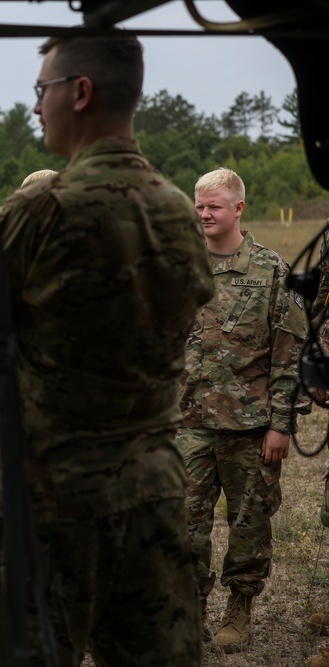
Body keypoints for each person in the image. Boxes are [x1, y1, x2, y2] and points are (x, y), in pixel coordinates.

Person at [0, 35, 213, 666]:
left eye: (43, 90)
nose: (37, 106)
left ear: (81, 93)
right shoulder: (177, 208)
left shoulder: (45, 207)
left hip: (53, 497)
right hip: (153, 485)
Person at [179, 167, 309, 653]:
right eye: (200, 205)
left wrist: (281, 424)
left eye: (214, 206)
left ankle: (240, 606)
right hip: (187, 422)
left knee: (249, 521)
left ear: (238, 209)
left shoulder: (273, 270)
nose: (205, 214)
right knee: (183, 521)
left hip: (250, 426)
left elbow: (288, 355)